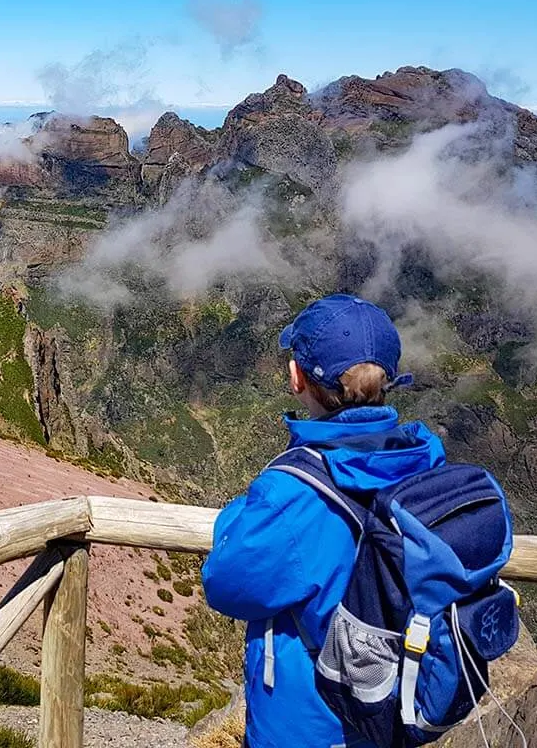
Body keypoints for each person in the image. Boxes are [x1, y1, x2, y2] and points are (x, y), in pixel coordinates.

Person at [201, 294, 443, 748]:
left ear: (297, 378)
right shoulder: (424, 465)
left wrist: (240, 511)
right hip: (394, 710)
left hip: (310, 725)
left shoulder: (291, 494)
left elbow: (226, 582)